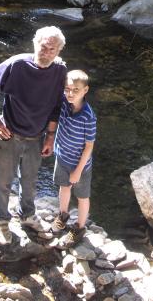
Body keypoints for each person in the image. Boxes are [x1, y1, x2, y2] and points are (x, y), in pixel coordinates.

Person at [0, 25, 66, 243]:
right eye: (43, 47)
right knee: (4, 181)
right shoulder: (16, 65)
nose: (46, 53)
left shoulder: (59, 71)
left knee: (29, 180)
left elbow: (57, 104)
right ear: (35, 44)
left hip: (36, 137)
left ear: (59, 51)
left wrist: (50, 136)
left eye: (52, 49)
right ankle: (1, 219)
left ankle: (27, 215)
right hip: (10, 135)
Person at [52, 69, 97, 246]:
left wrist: (78, 171)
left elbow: (89, 147)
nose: (70, 93)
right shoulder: (64, 102)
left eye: (76, 90)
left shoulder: (89, 116)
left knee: (82, 196)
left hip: (81, 165)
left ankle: (79, 227)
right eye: (67, 89)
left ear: (85, 90)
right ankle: (62, 215)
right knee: (64, 187)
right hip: (62, 157)